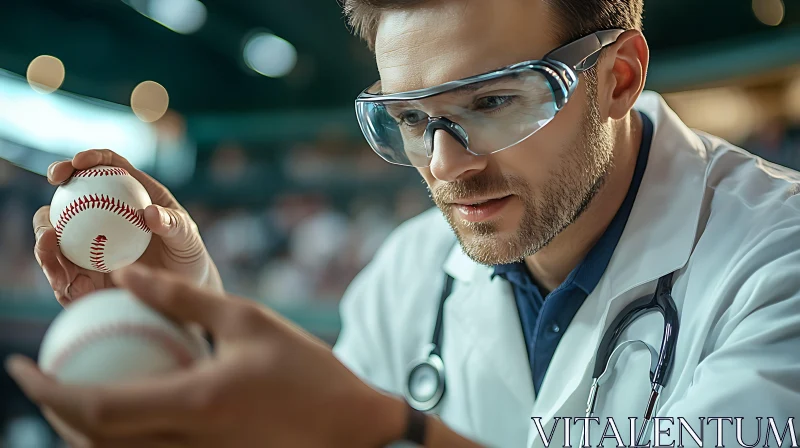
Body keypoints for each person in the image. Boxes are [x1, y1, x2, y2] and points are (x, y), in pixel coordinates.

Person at [9, 0, 800, 446]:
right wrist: (195, 333)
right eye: (412, 118)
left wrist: (383, 433)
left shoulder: (778, 260)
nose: (446, 164)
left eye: (492, 103)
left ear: (619, 78)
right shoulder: (408, 272)